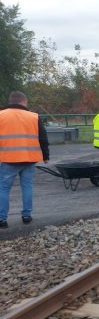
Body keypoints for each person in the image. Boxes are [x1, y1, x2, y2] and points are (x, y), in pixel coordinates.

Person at [0, 91, 50, 228]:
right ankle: (26, 216)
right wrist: (45, 156)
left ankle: (2, 219)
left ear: (11, 101)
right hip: (29, 159)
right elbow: (43, 138)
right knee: (27, 187)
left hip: (8, 159)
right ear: (22, 102)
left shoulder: (1, 116)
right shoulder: (34, 117)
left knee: (3, 189)